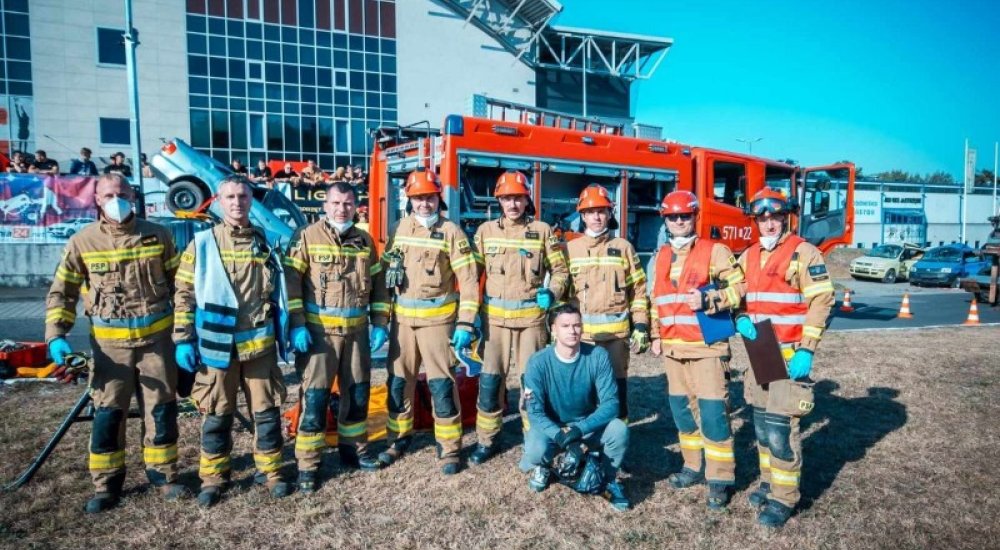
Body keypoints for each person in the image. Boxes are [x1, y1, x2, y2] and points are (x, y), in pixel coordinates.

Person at [45, 173, 184, 513]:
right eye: (108, 194)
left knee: (161, 409)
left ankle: (163, 474)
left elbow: (181, 286)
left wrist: (184, 335)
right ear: (96, 199)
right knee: (109, 414)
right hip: (110, 350)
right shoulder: (83, 242)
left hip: (157, 344)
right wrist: (55, 335)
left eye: (122, 193)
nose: (116, 199)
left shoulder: (159, 234)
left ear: (133, 195)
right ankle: (106, 484)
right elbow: (62, 293)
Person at [173, 175, 292, 508]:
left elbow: (279, 294)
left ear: (251, 200)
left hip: (260, 348)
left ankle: (271, 473)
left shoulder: (267, 241)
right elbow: (183, 295)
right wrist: (183, 339)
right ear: (218, 201)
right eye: (230, 197)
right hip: (217, 349)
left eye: (242, 196)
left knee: (267, 412)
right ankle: (213, 479)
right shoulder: (202, 243)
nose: (237, 202)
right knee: (217, 414)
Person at [735, 187, 834, 527]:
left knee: (780, 429)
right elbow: (739, 299)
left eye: (775, 216)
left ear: (785, 216)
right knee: (762, 426)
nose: (769, 223)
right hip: (759, 354)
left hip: (791, 357)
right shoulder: (747, 256)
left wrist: (807, 349)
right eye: (762, 218)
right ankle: (769, 483)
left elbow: (822, 301)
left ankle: (784, 499)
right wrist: (739, 317)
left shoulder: (803, 253)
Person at [282, 182, 391, 492]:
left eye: (347, 203)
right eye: (335, 203)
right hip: (319, 337)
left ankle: (354, 450)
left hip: (357, 335)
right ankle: (308, 465)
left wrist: (380, 322)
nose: (341, 208)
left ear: (355, 206)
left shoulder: (365, 241)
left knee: (357, 395)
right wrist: (297, 323)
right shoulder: (305, 237)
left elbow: (379, 285)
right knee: (314, 399)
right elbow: (291, 284)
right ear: (325, 205)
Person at [375, 168, 480, 475]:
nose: (424, 204)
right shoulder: (399, 229)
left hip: (439, 324)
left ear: (439, 200)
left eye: (430, 198)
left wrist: (465, 324)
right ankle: (397, 439)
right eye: (418, 198)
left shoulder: (452, 233)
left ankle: (449, 448)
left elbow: (469, 282)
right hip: (403, 324)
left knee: (441, 385)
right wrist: (381, 320)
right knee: (397, 382)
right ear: (410, 200)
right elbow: (385, 276)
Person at [648, 190, 746, 510]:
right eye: (673, 217)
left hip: (707, 348)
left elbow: (739, 288)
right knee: (683, 413)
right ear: (665, 219)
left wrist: (709, 300)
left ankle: (719, 478)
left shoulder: (714, 251)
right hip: (674, 349)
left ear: (694, 217)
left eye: (685, 216)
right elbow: (656, 300)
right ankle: (692, 466)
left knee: (714, 415)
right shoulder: (660, 255)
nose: (679, 221)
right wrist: (654, 335)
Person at [468, 171, 568, 465]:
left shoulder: (543, 230)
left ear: (527, 200)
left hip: (531, 322)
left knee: (532, 384)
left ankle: (533, 439)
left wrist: (551, 291)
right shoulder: (485, 232)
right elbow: (471, 275)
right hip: (494, 322)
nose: (513, 204)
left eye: (518, 198)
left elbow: (561, 271)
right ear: (499, 200)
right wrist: (467, 315)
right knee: (490, 383)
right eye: (507, 198)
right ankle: (487, 440)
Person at [519, 303, 630, 511]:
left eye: (577, 325)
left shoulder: (597, 356)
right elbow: (535, 412)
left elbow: (612, 404)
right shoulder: (537, 362)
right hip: (553, 427)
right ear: (553, 329)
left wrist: (579, 430)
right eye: (565, 325)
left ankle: (608, 478)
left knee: (618, 429)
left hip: (584, 426)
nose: (572, 331)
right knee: (535, 451)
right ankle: (543, 467)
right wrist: (561, 436)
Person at [566, 185, 649, 423]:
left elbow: (639, 290)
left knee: (616, 390)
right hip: (581, 338)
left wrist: (641, 325)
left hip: (616, 338)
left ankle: (617, 442)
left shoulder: (624, 248)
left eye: (601, 211)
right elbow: (561, 295)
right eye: (590, 212)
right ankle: (586, 440)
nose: (596, 217)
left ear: (610, 214)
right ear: (582, 216)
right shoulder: (570, 249)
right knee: (583, 391)